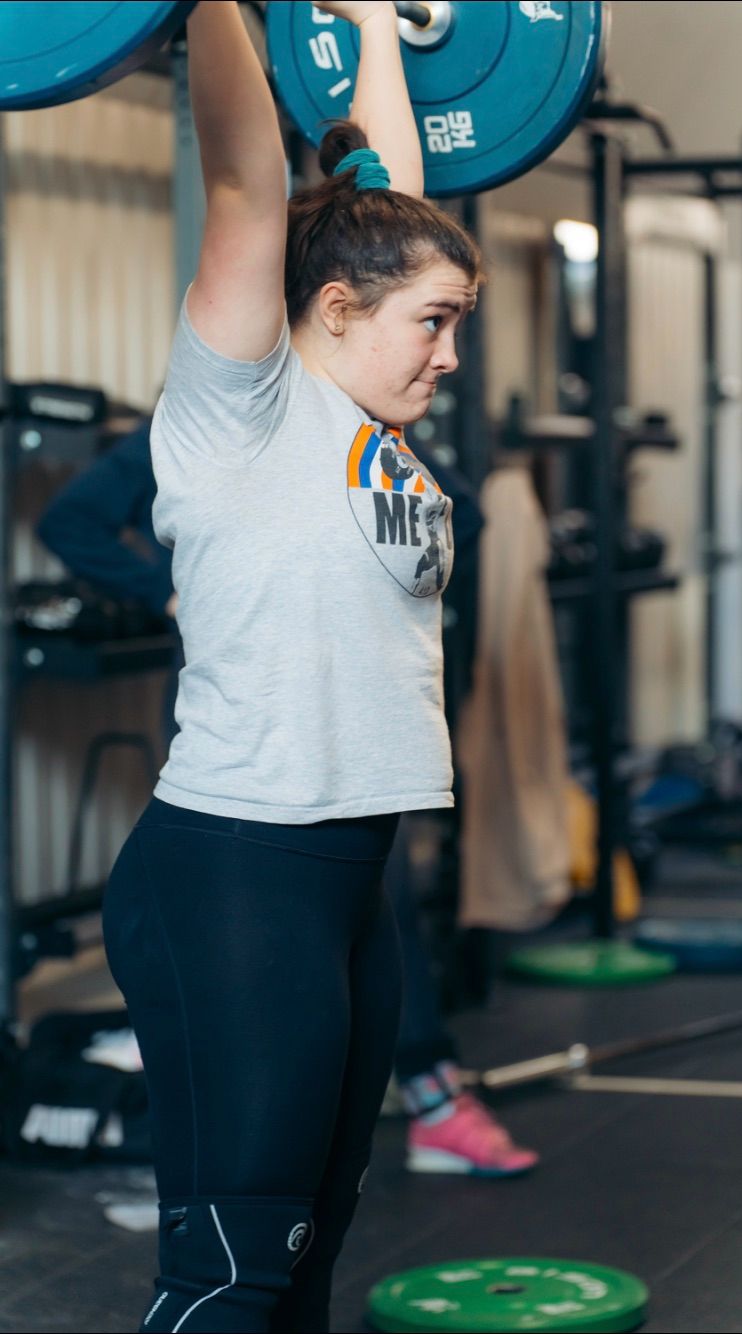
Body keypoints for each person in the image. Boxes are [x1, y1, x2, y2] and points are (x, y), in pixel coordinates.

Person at [100, 1, 488, 1327]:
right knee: (231, 1271)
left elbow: (393, 208)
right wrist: (214, 7)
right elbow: (244, 185)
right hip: (234, 872)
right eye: (434, 323)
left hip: (346, 883)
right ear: (333, 309)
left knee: (306, 1259)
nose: (449, 353)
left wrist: (372, 20)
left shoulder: (374, 426)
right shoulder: (245, 408)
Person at [38, 423, 539, 1180]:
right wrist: (168, 591)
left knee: (374, 894)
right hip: (230, 710)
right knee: (235, 914)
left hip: (339, 699)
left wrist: (373, 591)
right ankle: (260, 1124)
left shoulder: (352, 430)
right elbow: (69, 521)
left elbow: (458, 516)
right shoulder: (195, 428)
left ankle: (431, 1098)